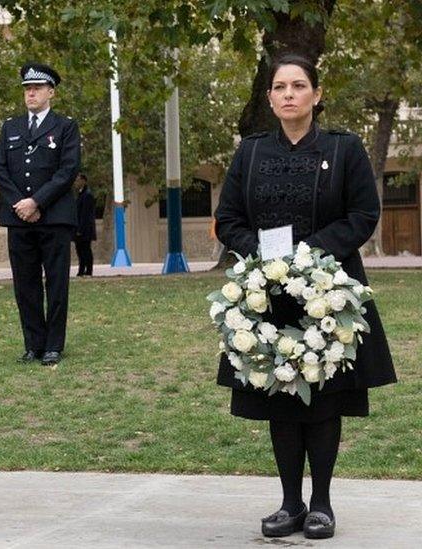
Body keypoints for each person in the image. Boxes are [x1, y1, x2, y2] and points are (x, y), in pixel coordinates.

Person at [214, 54, 397, 540]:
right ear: (271, 98)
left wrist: (309, 257)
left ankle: (321, 504)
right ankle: (289, 503)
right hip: (266, 296)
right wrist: (264, 262)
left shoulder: (344, 149)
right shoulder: (250, 153)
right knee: (279, 394)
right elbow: (229, 217)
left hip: (330, 292)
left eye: (299, 86)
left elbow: (362, 214)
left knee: (323, 397)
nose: (289, 94)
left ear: (316, 95)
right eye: (280, 87)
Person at [0, 63, 81, 366]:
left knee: (56, 284)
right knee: (25, 284)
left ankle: (53, 345)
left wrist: (37, 202)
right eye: (27, 88)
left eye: (37, 88)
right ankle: (33, 344)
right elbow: (1, 170)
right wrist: (21, 203)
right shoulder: (11, 127)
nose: (30, 93)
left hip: (54, 216)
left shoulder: (65, 126)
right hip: (18, 217)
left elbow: (68, 170)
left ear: (51, 92)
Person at [73, 175, 96, 276]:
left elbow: (85, 214)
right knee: (79, 249)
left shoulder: (87, 195)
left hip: (85, 228)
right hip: (79, 227)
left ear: (83, 181)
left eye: (78, 181)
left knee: (86, 249)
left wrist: (80, 229)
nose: (76, 183)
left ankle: (88, 270)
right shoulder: (80, 194)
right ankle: (81, 269)